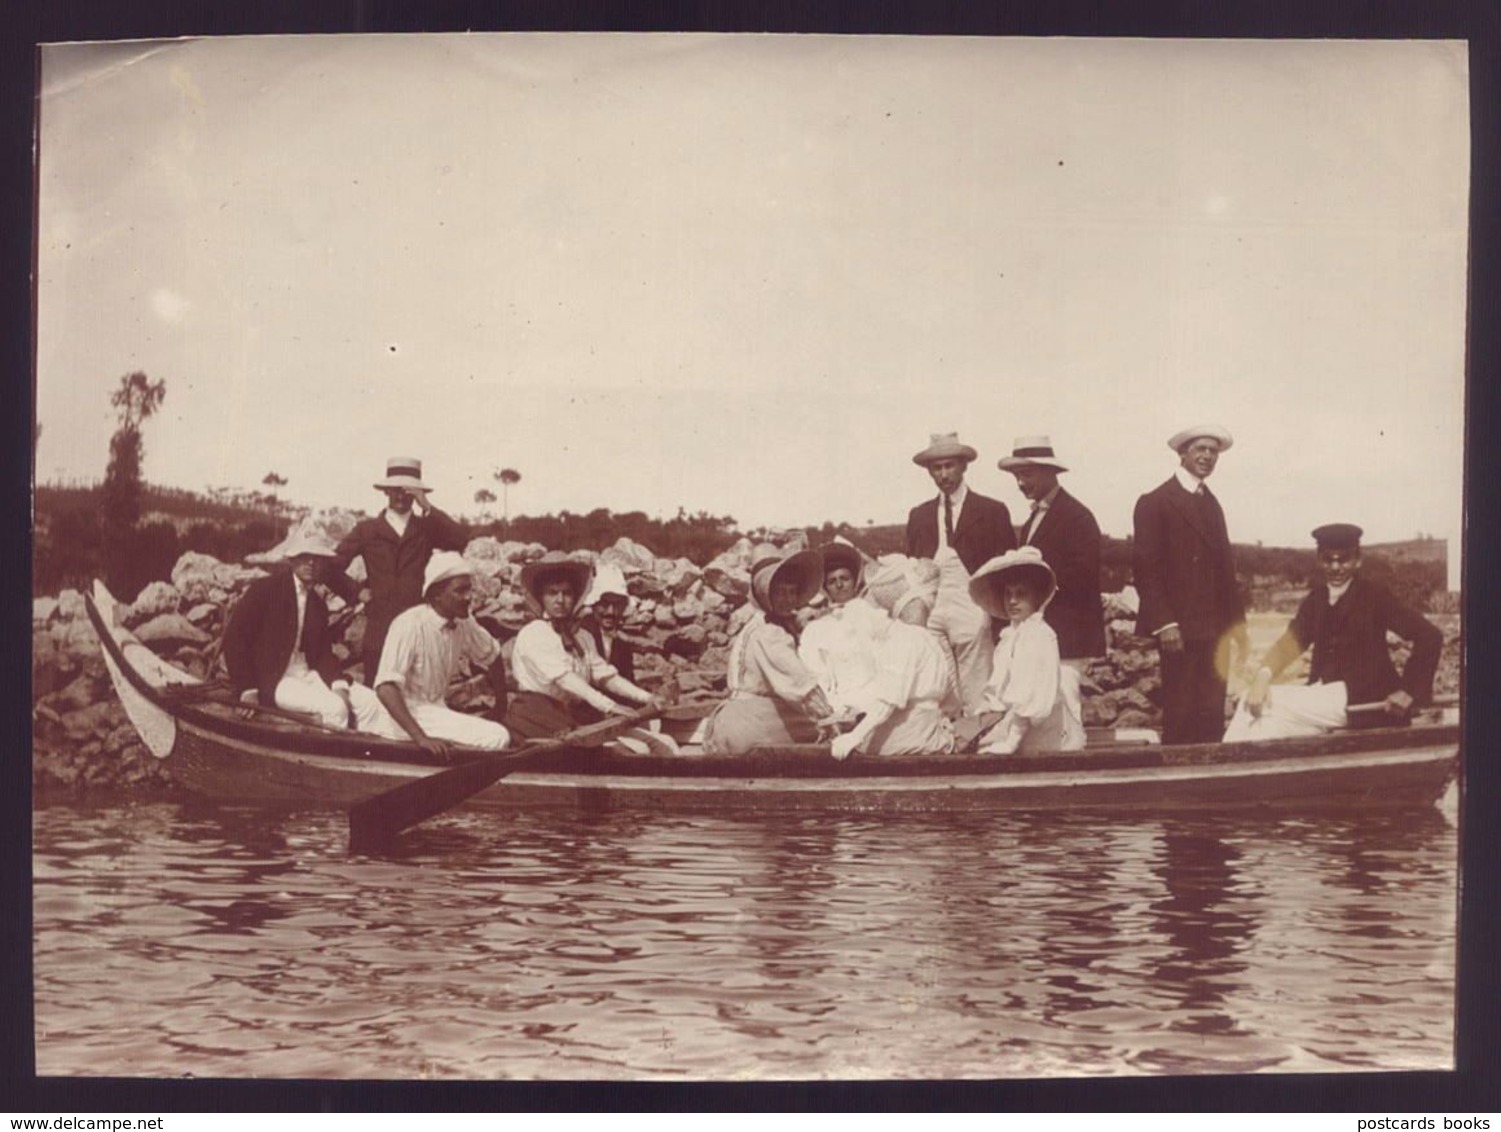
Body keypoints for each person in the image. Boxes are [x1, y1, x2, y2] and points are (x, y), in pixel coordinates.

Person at [1224, 523, 1443, 741]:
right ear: (1319, 559)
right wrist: (1263, 676)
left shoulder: (1375, 596)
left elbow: (1430, 635)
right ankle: (1229, 774)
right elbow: (1289, 643)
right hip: (1322, 700)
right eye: (1329, 559)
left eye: (1344, 559)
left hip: (1364, 704)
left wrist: (1409, 691)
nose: (1336, 567)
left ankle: (1216, 770)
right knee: (1262, 728)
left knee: (1247, 702)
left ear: (1358, 560)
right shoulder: (1316, 600)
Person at [1132, 425, 1250, 745]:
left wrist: (1238, 628)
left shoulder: (1212, 504)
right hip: (1179, 632)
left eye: (1213, 452)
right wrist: (1165, 622)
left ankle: (1208, 788)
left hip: (1216, 630)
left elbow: (1227, 572)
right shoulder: (1155, 502)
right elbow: (1146, 570)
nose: (1208, 457)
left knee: (1211, 715)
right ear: (1182, 453)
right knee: (1181, 714)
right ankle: (1177, 788)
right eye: (1200, 449)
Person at [347, 551, 511, 757]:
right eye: (459, 591)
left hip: (434, 712)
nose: (469, 597)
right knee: (498, 737)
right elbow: (386, 688)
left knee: (491, 731)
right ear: (436, 596)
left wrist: (501, 706)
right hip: (402, 717)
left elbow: (492, 653)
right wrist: (421, 738)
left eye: (469, 589)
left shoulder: (463, 621)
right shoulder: (409, 624)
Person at [904, 432, 1017, 716]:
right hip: (932, 606)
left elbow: (1007, 568)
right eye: (936, 468)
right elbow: (912, 566)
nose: (944, 474)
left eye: (949, 466)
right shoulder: (919, 515)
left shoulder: (991, 511)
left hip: (972, 601)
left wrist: (997, 614)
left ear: (964, 465)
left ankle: (980, 741)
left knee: (978, 683)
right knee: (938, 681)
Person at [998, 435, 1105, 730]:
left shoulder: (1077, 517)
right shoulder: (1035, 518)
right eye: (1017, 476)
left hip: (1067, 634)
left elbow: (1083, 576)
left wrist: (1038, 578)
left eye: (1027, 474)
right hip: (1043, 632)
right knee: (1043, 706)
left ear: (1049, 472)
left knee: (1065, 700)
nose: (1020, 482)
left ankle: (1071, 765)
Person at [330, 457, 469, 682]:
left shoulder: (426, 528)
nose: (401, 496)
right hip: (379, 628)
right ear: (386, 491)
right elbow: (330, 567)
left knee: (418, 690)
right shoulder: (367, 529)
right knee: (377, 691)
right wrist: (356, 592)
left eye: (408, 491)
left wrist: (428, 507)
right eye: (395, 489)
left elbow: (461, 540)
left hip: (417, 624)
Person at [504, 551, 663, 741]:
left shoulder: (582, 637)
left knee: (653, 742)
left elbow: (605, 676)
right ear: (541, 597)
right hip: (537, 717)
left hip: (571, 716)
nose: (560, 600)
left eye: (567, 593)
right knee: (624, 750)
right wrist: (609, 706)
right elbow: (565, 679)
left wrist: (647, 698)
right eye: (552, 593)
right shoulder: (535, 634)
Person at [702, 549, 839, 755]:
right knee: (827, 733)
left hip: (729, 720)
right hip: (752, 723)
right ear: (767, 595)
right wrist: (828, 716)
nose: (788, 599)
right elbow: (800, 683)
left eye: (792, 592)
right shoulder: (770, 632)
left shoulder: (754, 625)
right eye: (780, 592)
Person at [828, 555, 957, 760]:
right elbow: (951, 700)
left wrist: (855, 736)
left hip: (903, 739)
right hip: (931, 735)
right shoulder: (933, 641)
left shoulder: (905, 638)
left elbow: (887, 701)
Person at [222, 530, 352, 730]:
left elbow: (322, 653)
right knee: (336, 709)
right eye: (304, 556)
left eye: (317, 558)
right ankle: (320, 758)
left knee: (368, 704)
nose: (311, 563)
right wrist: (247, 689)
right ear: (292, 559)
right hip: (273, 680)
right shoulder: (265, 589)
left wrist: (338, 684)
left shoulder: (317, 604)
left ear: (324, 563)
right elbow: (234, 639)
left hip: (305, 674)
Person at [967, 546, 1085, 754]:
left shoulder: (1039, 636)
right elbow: (999, 692)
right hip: (1016, 728)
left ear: (1037, 597)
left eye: (1021, 594)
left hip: (1044, 738)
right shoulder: (1010, 637)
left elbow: (1030, 697)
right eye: (1008, 594)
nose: (1012, 601)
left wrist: (1010, 743)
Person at [798, 537, 886, 715]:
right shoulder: (816, 630)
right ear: (826, 589)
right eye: (832, 581)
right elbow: (818, 676)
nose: (839, 585)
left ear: (855, 582)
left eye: (844, 578)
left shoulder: (876, 617)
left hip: (878, 702)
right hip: (840, 706)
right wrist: (835, 707)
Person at [578, 562, 640, 684]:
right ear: (594, 604)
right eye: (605, 604)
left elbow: (627, 682)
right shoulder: (580, 634)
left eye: (617, 605)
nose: (610, 612)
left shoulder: (622, 645)